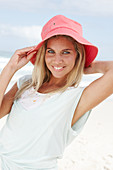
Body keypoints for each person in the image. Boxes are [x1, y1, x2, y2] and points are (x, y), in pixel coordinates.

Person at [0, 15, 113, 170]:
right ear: (43, 54)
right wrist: (10, 68)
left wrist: (85, 66)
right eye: (51, 51)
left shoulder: (77, 98)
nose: (57, 60)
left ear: (77, 55)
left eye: (66, 52)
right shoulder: (25, 83)